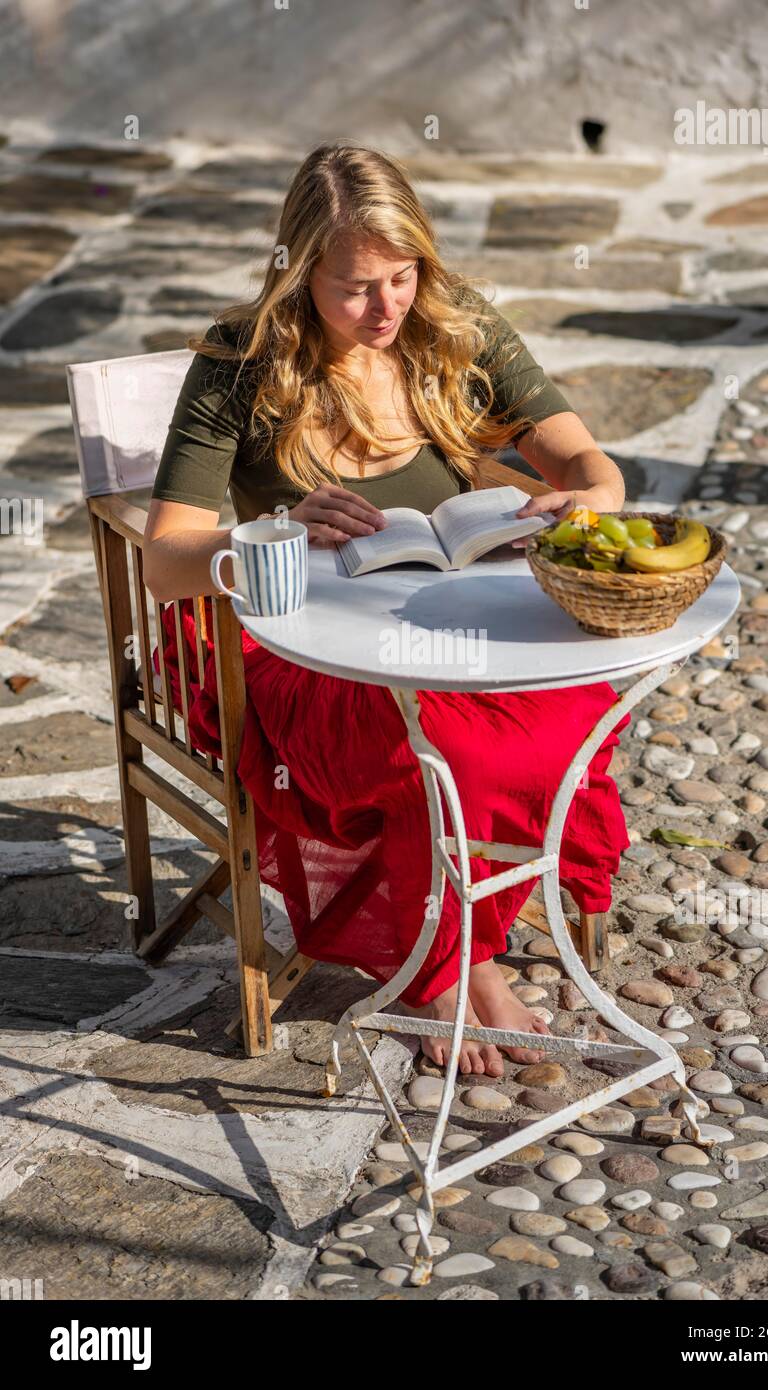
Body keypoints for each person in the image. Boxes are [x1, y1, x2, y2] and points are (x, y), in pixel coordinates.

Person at [142, 141, 631, 1079]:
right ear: (298, 277)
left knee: (563, 718)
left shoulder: (456, 328)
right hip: (293, 640)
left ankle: (459, 947)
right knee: (428, 750)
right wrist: (271, 529)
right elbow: (167, 561)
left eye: (403, 276)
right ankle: (455, 967)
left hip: (443, 615)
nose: (387, 306)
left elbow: (592, 467)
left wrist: (586, 499)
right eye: (357, 286)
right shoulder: (240, 360)